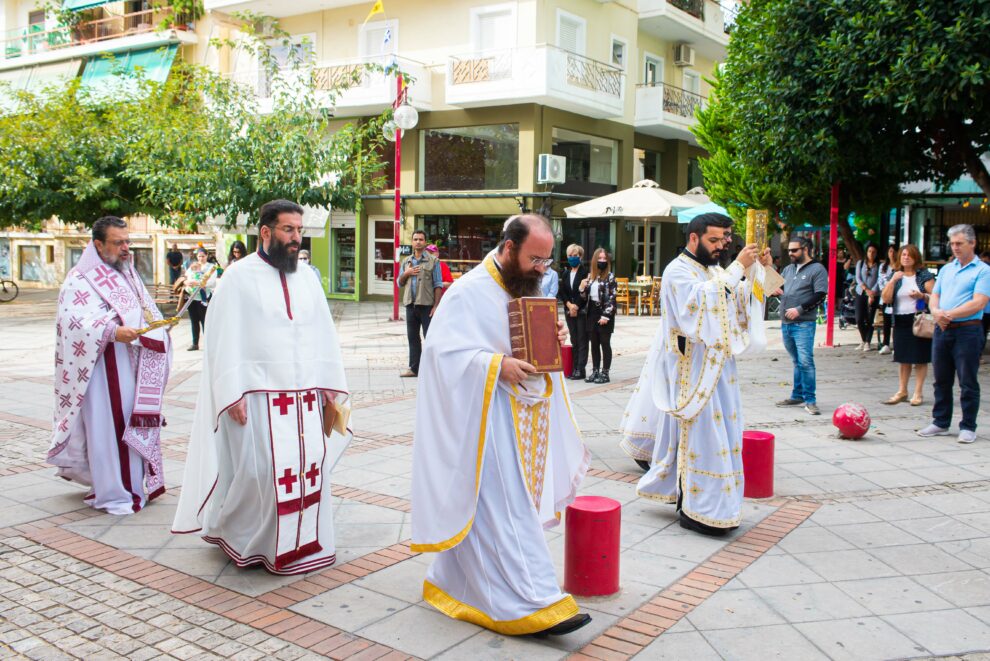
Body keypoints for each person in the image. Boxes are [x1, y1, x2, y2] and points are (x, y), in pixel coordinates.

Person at [411, 214, 591, 637]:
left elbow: (533, 344)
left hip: (522, 424)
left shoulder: (524, 284)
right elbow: (441, 356)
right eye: (535, 259)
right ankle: (533, 601)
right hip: (482, 426)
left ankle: (450, 582)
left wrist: (555, 333)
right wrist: (496, 364)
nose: (542, 270)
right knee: (504, 512)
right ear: (509, 248)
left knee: (493, 513)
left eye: (547, 262)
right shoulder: (468, 293)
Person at [172, 200, 351, 574]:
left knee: (307, 472)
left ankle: (303, 544)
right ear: (266, 232)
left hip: (304, 399)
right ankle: (249, 541)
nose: (296, 238)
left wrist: (330, 387)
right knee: (262, 475)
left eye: (299, 231)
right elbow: (222, 340)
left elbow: (323, 334)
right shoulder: (238, 277)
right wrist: (230, 392)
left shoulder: (307, 277)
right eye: (288, 230)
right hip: (256, 399)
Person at [619, 213, 771, 533]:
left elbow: (745, 298)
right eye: (713, 241)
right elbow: (701, 303)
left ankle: (710, 502)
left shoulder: (714, 269)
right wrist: (738, 269)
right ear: (694, 238)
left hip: (720, 366)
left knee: (723, 434)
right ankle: (695, 508)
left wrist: (759, 269)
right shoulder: (677, 270)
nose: (720, 247)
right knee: (700, 436)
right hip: (691, 368)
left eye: (723, 241)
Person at [48, 216, 172, 515]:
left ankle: (131, 484)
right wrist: (113, 332)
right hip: (100, 371)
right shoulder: (80, 278)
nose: (125, 248)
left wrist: (158, 329)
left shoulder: (126, 272)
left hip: (130, 363)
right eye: (118, 243)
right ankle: (113, 490)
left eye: (127, 241)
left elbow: (142, 310)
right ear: (98, 244)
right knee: (108, 429)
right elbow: (72, 321)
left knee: (131, 420)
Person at [918, 224, 990, 444]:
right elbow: (935, 295)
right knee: (941, 379)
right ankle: (940, 421)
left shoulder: (983, 271)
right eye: (952, 243)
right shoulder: (948, 269)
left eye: (959, 243)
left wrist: (947, 314)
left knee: (967, 379)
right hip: (942, 329)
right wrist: (937, 312)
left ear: (972, 243)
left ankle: (968, 425)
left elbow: (979, 301)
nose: (955, 247)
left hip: (968, 330)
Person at [776, 237, 829, 415]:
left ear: (805, 249)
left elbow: (821, 294)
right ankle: (797, 394)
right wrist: (776, 291)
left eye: (794, 250)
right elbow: (781, 289)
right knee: (796, 361)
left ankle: (810, 400)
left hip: (803, 323)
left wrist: (800, 309)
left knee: (806, 361)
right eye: (789, 251)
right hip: (786, 323)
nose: (790, 253)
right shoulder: (788, 269)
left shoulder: (817, 269)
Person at [880, 244, 934, 406]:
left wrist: (922, 296)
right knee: (903, 358)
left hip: (919, 321)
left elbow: (936, 297)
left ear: (916, 257)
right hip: (901, 321)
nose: (906, 257)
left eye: (909, 255)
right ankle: (902, 390)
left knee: (919, 358)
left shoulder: (925, 275)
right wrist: (892, 281)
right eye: (903, 254)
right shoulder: (896, 276)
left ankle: (918, 392)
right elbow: (886, 299)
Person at [397, 229, 442, 377]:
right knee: (412, 338)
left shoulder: (433, 261)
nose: (418, 242)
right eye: (415, 239)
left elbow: (438, 284)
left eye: (421, 239)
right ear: (412, 242)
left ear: (425, 242)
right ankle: (414, 368)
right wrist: (407, 273)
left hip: (427, 306)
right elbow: (399, 283)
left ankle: (432, 369)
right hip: (411, 305)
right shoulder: (406, 261)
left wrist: (436, 306)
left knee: (430, 338)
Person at [579, 248, 617, 384]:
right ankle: (595, 371)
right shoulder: (591, 277)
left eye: (604, 259)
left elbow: (612, 298)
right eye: (599, 258)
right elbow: (584, 298)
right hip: (592, 313)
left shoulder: (610, 277)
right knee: (594, 344)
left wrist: (606, 316)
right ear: (595, 260)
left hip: (605, 313)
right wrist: (582, 288)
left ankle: (605, 372)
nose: (602, 261)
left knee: (604, 343)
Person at [558, 244, 589, 380]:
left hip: (581, 310)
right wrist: (569, 305)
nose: (572, 258)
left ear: (580, 257)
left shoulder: (585, 272)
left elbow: (585, 292)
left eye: (575, 255)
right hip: (569, 309)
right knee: (574, 339)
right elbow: (562, 292)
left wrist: (576, 306)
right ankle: (575, 367)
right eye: (570, 255)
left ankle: (581, 369)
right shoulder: (565, 273)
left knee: (582, 340)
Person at [183, 248, 218, 351]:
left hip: (204, 297)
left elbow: (211, 282)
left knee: (204, 320)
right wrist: (187, 282)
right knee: (194, 320)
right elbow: (186, 277)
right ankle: (195, 343)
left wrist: (198, 283)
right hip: (192, 296)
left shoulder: (211, 267)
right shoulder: (193, 266)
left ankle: (208, 344)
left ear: (207, 256)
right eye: (199, 256)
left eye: (203, 256)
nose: (201, 258)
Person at [854, 243, 880, 351]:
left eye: (874, 252)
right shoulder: (860, 263)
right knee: (859, 318)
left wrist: (872, 292)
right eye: (869, 251)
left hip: (874, 294)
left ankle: (867, 342)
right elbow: (858, 278)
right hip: (861, 292)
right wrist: (866, 289)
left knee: (870, 318)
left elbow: (879, 280)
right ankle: (864, 339)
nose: (871, 254)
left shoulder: (879, 265)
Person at [876, 244, 898, 354]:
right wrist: (886, 292)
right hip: (886, 297)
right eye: (890, 251)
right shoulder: (883, 266)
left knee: (896, 322)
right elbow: (880, 281)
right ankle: (886, 344)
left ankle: (896, 345)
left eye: (894, 251)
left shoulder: (900, 266)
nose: (892, 253)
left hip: (897, 298)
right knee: (887, 321)